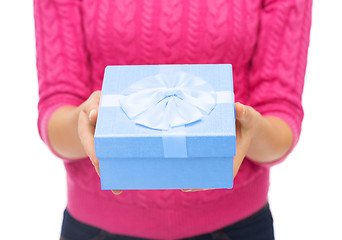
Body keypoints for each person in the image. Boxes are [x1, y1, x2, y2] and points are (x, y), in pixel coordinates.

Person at [34, 0, 312, 239]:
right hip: (96, 227)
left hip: (237, 227)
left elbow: (281, 116)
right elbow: (57, 110)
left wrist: (249, 128)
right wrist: (85, 121)